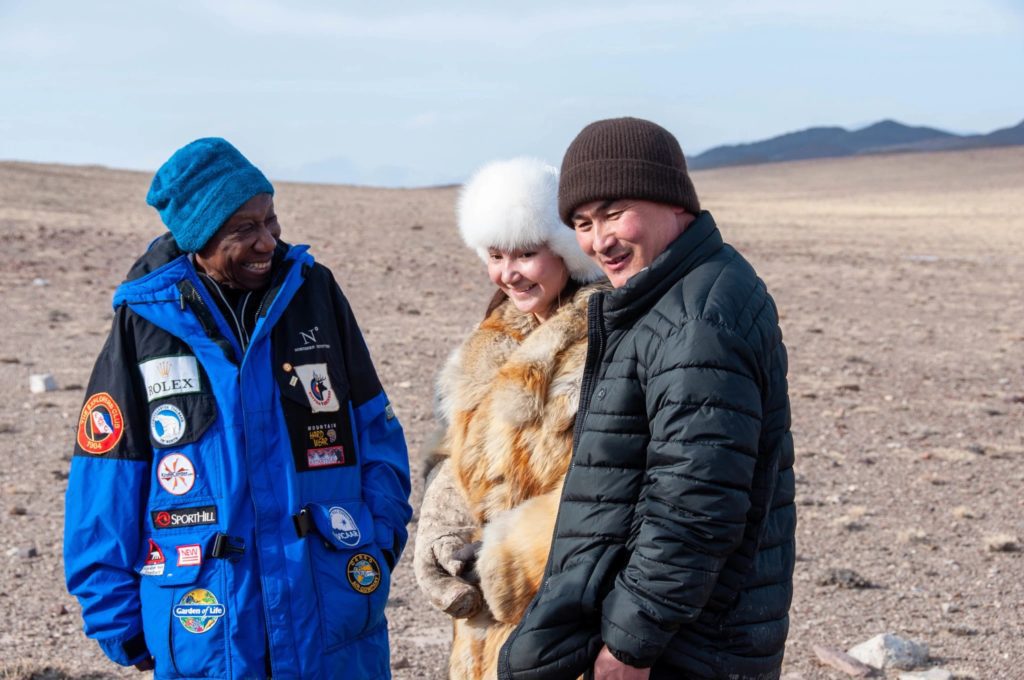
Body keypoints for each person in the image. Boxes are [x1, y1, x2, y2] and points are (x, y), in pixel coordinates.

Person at [64, 137, 412, 679]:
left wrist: (377, 539)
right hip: (207, 628)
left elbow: (376, 432)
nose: (267, 241)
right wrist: (118, 620)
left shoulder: (313, 293)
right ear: (200, 238)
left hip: (331, 611)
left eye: (270, 220)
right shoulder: (146, 323)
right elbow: (105, 478)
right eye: (243, 229)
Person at [497, 118, 796, 680]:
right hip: (678, 634)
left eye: (614, 214)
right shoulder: (664, 297)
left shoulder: (696, 318)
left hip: (683, 649)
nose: (598, 240)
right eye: (582, 224)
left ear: (671, 200)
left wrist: (632, 645)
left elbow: (695, 505)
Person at [413, 157, 606, 679]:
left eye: (526, 254)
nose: (508, 273)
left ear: (565, 250)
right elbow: (454, 447)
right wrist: (441, 526)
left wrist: (509, 560)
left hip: (564, 618)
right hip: (483, 625)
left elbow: (608, 487)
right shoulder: (490, 339)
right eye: (496, 256)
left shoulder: (605, 343)